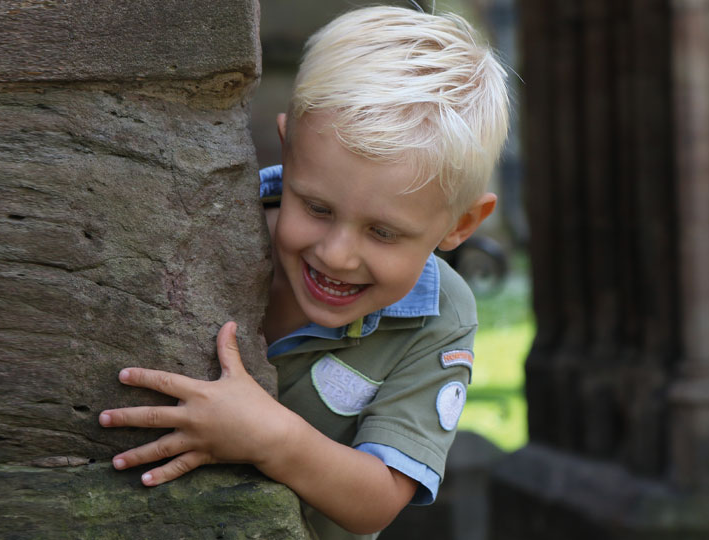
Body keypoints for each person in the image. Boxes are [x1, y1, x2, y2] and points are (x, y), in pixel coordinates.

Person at [98, 5, 509, 538]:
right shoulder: (204, 221)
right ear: (288, 150)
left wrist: (269, 436)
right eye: (316, 208)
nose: (337, 255)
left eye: (383, 233)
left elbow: (378, 499)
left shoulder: (441, 317)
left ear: (462, 224)